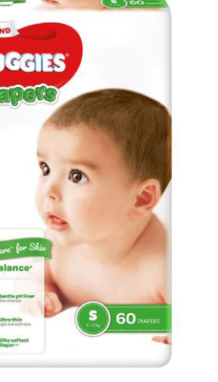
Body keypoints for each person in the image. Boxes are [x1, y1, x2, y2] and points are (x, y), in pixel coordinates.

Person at [35, 89, 171, 343]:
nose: (48, 191)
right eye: (45, 169)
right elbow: (33, 277)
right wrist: (41, 292)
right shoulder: (57, 244)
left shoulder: (162, 268)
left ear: (141, 199)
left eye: (77, 176)